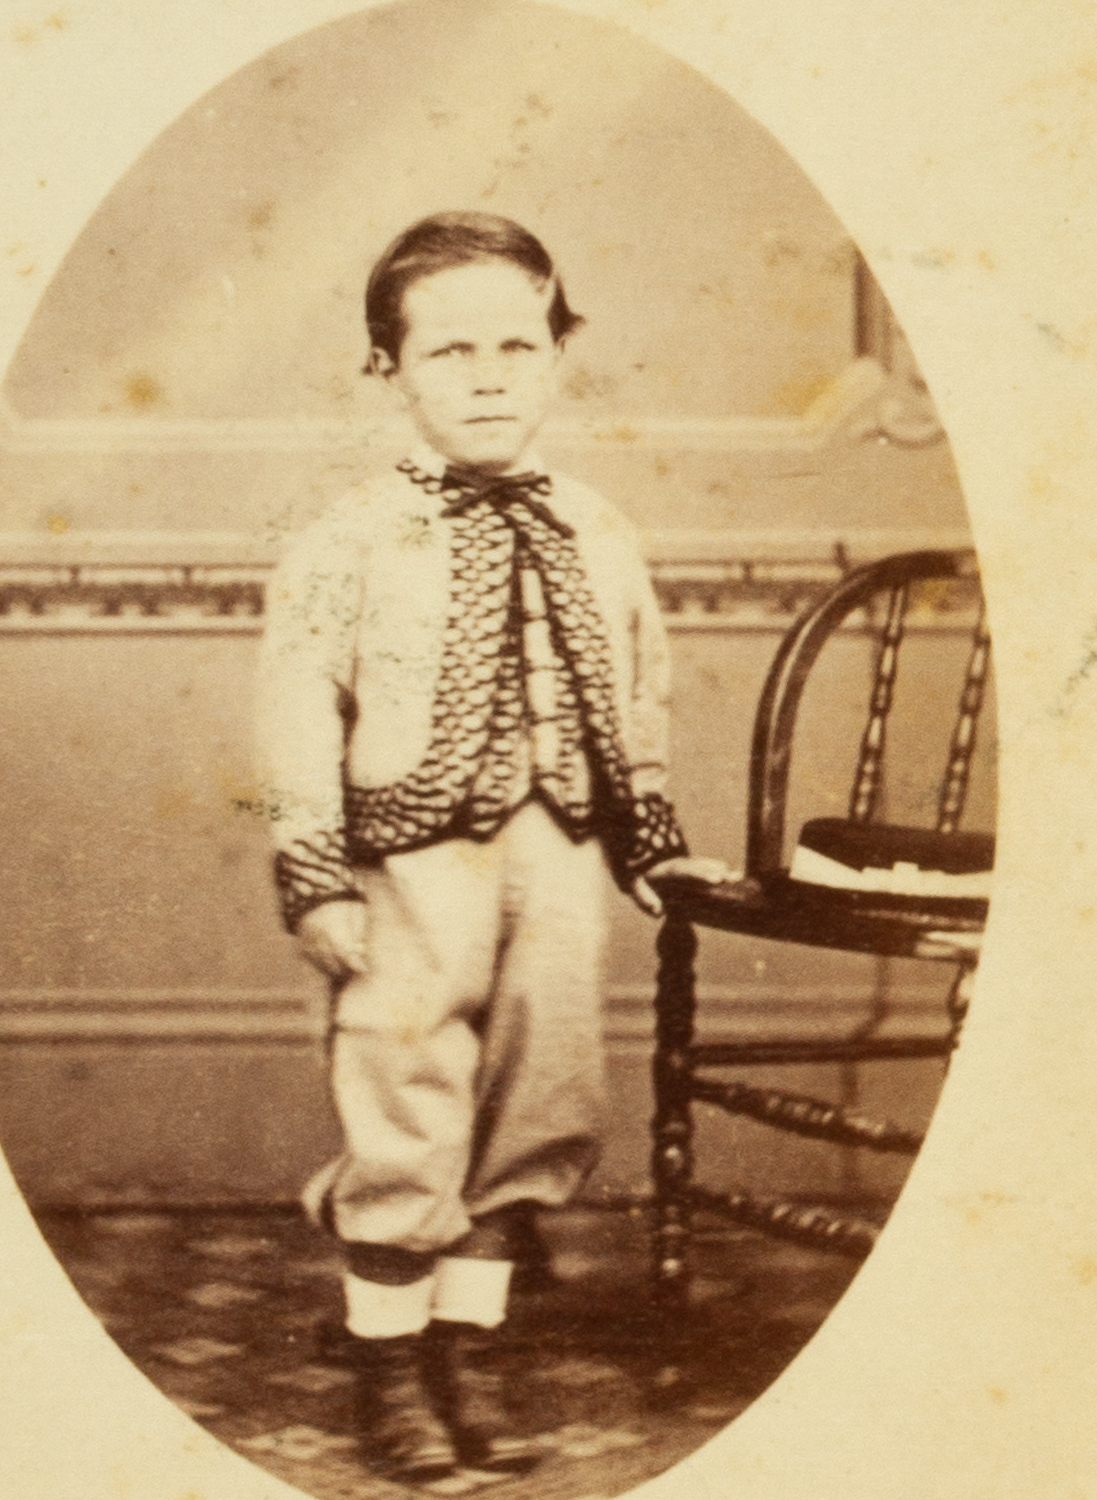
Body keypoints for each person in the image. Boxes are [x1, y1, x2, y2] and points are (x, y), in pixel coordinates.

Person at [255, 211, 725, 1483]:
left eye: (520, 344)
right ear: (388, 370)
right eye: (450, 350)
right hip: (407, 865)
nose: (489, 375)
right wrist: (314, 873)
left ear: (559, 356)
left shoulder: (598, 525)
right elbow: (300, 709)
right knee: (407, 1087)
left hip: (562, 850)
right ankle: (389, 1365)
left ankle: (462, 1347)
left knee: (544, 1090)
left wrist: (647, 834)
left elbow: (642, 686)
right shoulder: (347, 540)